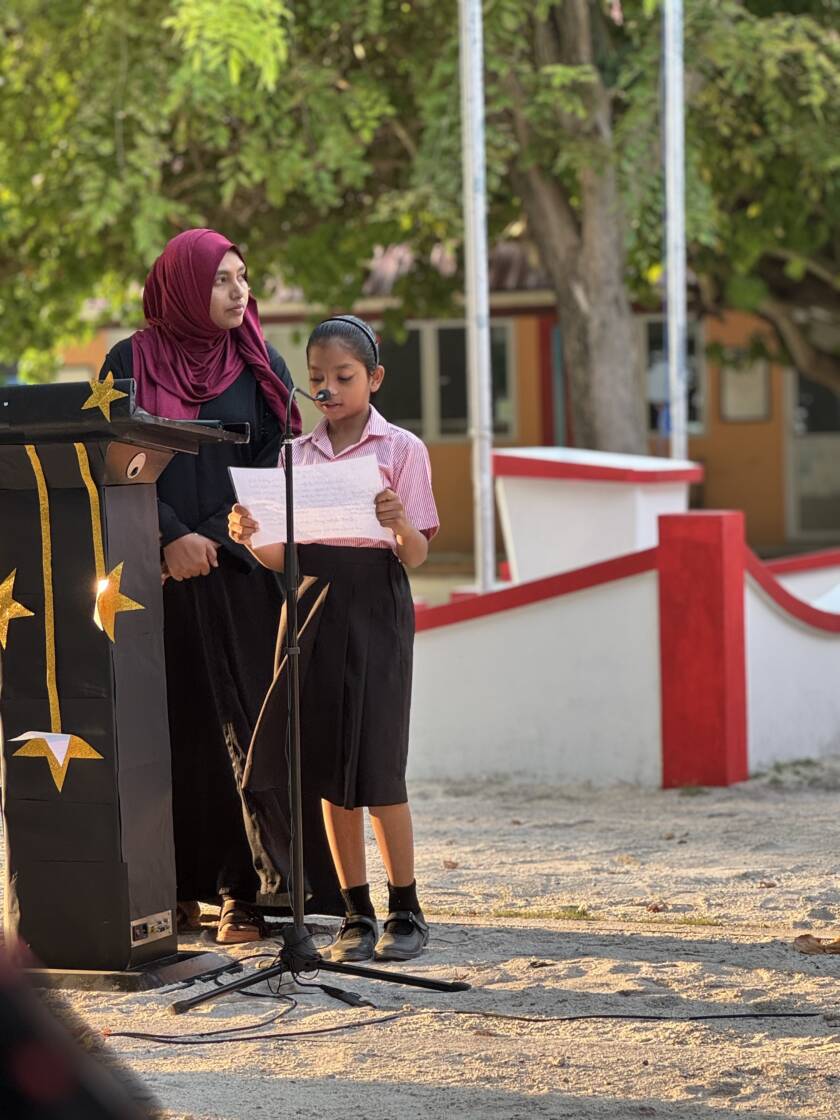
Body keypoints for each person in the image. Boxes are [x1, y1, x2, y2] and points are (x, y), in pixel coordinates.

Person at [100, 228, 342, 944]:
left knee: (249, 732)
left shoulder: (260, 361)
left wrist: (212, 535)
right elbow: (110, 454)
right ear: (183, 287)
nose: (241, 292)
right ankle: (171, 889)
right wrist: (170, 536)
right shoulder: (128, 363)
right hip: (151, 577)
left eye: (243, 277)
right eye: (222, 279)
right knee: (168, 733)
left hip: (240, 574)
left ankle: (247, 893)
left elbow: (276, 462)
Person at [228, 314, 439, 962]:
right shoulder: (294, 455)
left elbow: (416, 554)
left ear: (374, 378)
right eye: (317, 377)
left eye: (344, 377)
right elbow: (282, 556)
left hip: (376, 605)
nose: (328, 389)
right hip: (310, 607)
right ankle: (355, 912)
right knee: (325, 766)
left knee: (378, 764)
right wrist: (250, 537)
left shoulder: (401, 449)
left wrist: (400, 523)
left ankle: (406, 908)